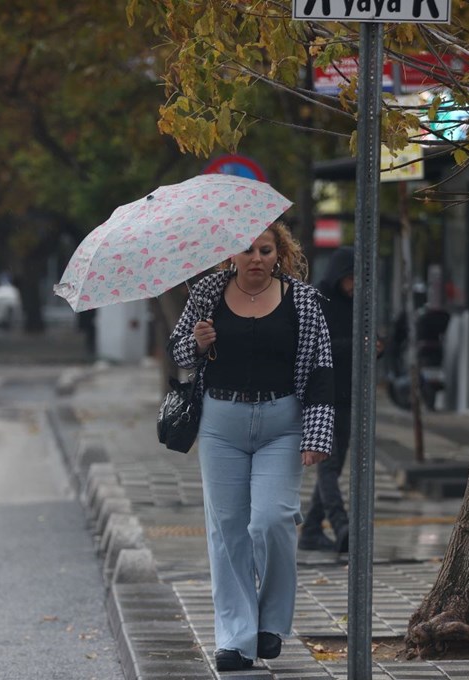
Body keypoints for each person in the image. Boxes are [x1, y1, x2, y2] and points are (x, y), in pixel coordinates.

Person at [167, 221, 334, 672]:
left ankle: (271, 623)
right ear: (231, 256)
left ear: (279, 253)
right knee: (228, 532)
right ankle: (236, 639)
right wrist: (196, 343)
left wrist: (318, 434)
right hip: (221, 424)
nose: (256, 258)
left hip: (282, 425)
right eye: (246, 250)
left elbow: (321, 365)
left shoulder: (302, 300)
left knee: (273, 519)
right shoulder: (207, 292)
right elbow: (177, 351)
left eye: (265, 249)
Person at [299, 247, 356, 553]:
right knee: (328, 465)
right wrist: (355, 345)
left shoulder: (355, 302)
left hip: (348, 394)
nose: (354, 284)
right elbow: (318, 346)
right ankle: (340, 524)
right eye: (350, 277)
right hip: (322, 397)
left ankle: (310, 530)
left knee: (335, 464)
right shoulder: (318, 300)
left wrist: (377, 346)